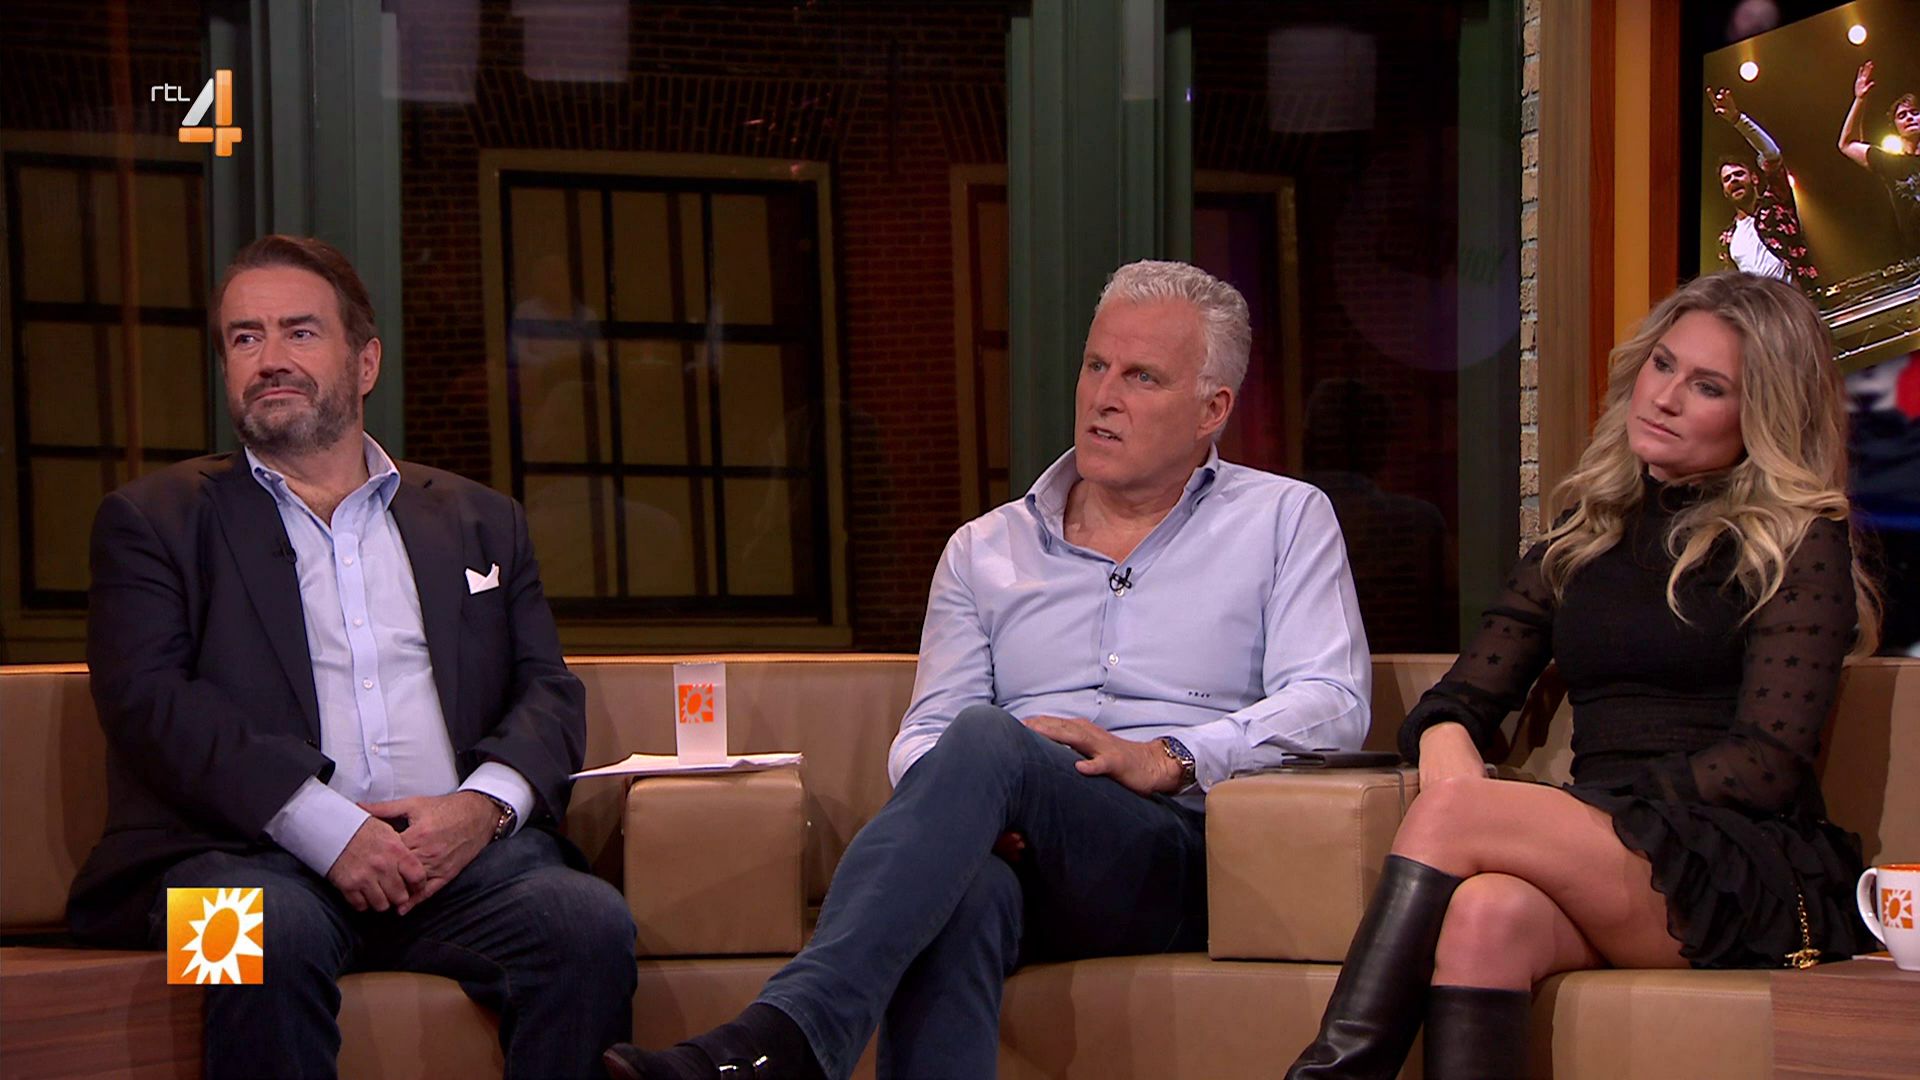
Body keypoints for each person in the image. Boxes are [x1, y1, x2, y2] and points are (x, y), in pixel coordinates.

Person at [604, 260, 1372, 1080]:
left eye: (1142, 377)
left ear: (1212, 409)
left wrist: (1170, 756)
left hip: (1173, 853)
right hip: (1021, 852)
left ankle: (784, 1039)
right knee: (963, 891)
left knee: (988, 739)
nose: (1103, 396)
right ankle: (777, 1045)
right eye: (1096, 365)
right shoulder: (984, 549)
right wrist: (972, 803)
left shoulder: (1284, 520)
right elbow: (927, 732)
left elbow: (1333, 701)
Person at [66, 234, 637, 1079]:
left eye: (299, 332)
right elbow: (147, 704)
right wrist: (328, 830)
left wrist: (478, 813)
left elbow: (547, 691)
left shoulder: (482, 520)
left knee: (590, 923)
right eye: (245, 337)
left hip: (455, 863)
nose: (270, 358)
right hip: (211, 866)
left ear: (365, 363)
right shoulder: (150, 520)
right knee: (250, 939)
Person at [1285, 271, 1880, 1080]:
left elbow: (1765, 764)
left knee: (1463, 820)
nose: (1664, 396)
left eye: (1707, 386)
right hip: (1609, 852)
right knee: (1484, 917)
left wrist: (1579, 812)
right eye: (1663, 364)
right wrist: (1449, 739)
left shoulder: (1800, 542)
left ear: (1762, 415)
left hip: (1730, 862)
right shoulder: (1586, 530)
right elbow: (1465, 693)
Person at [1708, 87, 1820, 290]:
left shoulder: (1776, 204)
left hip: (1797, 300)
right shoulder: (1726, 240)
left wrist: (1737, 120)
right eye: (1727, 179)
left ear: (1754, 179)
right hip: (1762, 309)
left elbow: (1772, 154)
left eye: (1739, 174)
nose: (1734, 180)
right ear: (1724, 191)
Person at [1838, 60, 1920, 252]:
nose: (1909, 117)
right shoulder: (1890, 163)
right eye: (1902, 115)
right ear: (1896, 127)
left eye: (1915, 112)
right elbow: (1847, 143)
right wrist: (1860, 100)